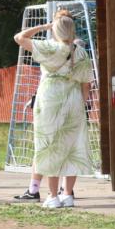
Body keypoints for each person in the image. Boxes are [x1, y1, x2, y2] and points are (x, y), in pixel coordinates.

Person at [13, 10, 95, 208]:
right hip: (73, 100)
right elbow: (86, 84)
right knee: (71, 145)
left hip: (50, 99)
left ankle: (52, 196)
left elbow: (19, 37)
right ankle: (68, 195)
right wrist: (81, 103)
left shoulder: (50, 47)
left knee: (49, 145)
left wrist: (44, 27)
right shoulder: (81, 52)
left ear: (56, 29)